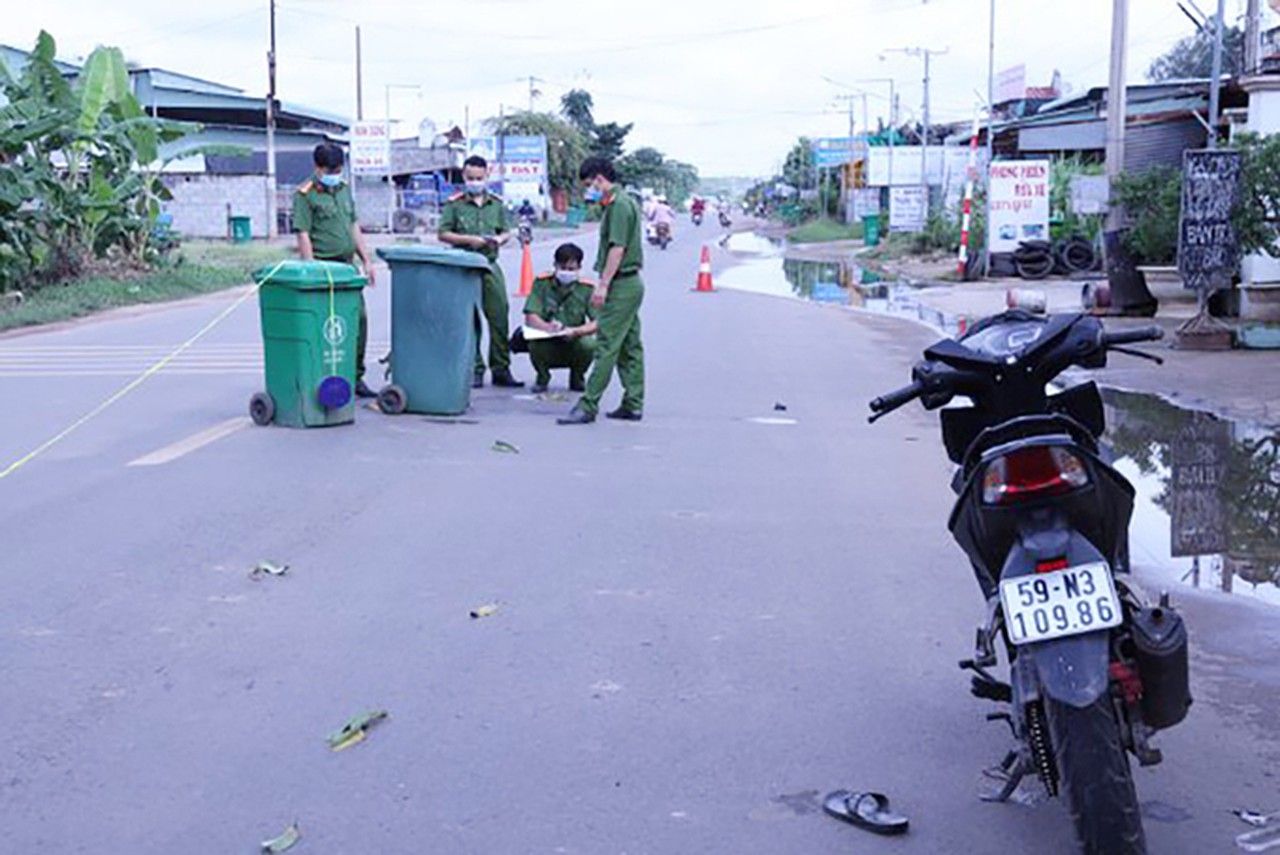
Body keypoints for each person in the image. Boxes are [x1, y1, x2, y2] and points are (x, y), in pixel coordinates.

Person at [558, 156, 644, 425]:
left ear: (598, 179)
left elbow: (617, 249)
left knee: (607, 345)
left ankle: (588, 404)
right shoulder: (623, 202)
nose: (588, 191)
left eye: (588, 184)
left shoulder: (618, 206)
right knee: (629, 346)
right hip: (629, 283)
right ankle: (633, 402)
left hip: (621, 284)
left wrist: (603, 285)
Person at [292, 142, 377, 397]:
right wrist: (311, 271)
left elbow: (353, 226)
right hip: (324, 268)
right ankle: (324, 377)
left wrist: (367, 260)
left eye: (338, 169)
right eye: (330, 170)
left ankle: (356, 376)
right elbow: (303, 233)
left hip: (347, 269)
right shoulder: (305, 195)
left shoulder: (343, 189)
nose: (334, 174)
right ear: (318, 168)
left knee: (358, 321)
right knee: (328, 326)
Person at [438, 155, 524, 388]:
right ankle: (475, 368)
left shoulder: (495, 204)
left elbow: (506, 231)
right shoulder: (454, 204)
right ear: (464, 177)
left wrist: (499, 239)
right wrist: (469, 240)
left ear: (487, 176)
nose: (475, 182)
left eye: (479, 177)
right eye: (470, 178)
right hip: (464, 266)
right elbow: (443, 233)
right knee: (469, 319)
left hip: (489, 264)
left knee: (499, 315)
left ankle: (501, 368)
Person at [522, 242, 598, 394]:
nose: (566, 272)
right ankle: (542, 377)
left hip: (574, 338)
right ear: (555, 265)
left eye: (571, 269)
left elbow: (598, 322)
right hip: (548, 337)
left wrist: (575, 331)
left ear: (579, 268)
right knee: (533, 342)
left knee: (589, 345)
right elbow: (530, 316)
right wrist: (548, 328)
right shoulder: (542, 283)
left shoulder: (587, 288)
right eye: (562, 268)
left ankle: (577, 377)